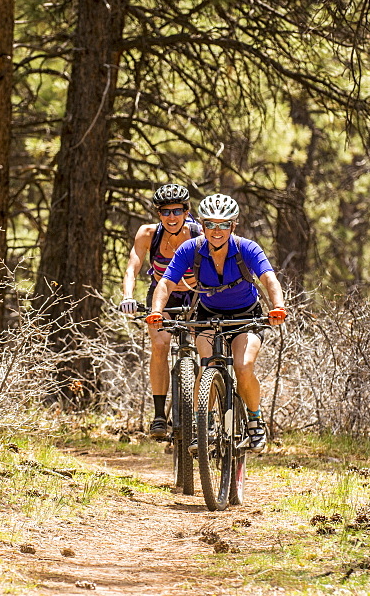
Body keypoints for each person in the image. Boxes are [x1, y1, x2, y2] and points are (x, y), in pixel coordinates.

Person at [146, 193, 287, 452]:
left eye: (223, 224)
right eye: (210, 224)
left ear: (233, 225)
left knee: (244, 367)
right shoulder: (191, 248)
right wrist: (156, 311)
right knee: (207, 363)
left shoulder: (248, 248)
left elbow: (269, 278)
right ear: (202, 224)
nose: (217, 230)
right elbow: (165, 282)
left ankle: (255, 421)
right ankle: (205, 425)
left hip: (247, 316)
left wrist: (277, 306)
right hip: (208, 315)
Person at [119, 184, 203, 439]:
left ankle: (205, 410)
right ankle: (158, 416)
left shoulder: (199, 234)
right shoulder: (148, 234)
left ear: (187, 211)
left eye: (177, 211)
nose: (172, 217)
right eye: (165, 212)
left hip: (196, 295)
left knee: (205, 344)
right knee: (160, 343)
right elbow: (132, 268)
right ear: (158, 214)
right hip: (161, 296)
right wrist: (128, 297)